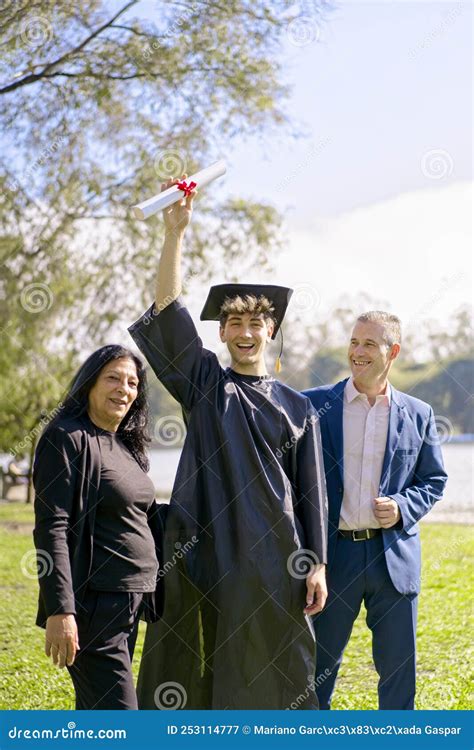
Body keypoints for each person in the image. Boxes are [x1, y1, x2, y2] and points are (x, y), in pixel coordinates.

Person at [128, 177, 328, 709]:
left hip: (276, 558)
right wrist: (175, 235)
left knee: (278, 666)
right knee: (198, 663)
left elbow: (310, 494)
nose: (244, 330)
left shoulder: (298, 407)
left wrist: (318, 564)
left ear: (270, 330)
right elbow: (168, 312)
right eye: (234, 321)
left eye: (256, 322)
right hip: (205, 552)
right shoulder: (207, 387)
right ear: (221, 333)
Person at [303, 311, 448, 710]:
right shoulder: (312, 406)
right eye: (354, 342)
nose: (358, 352)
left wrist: (402, 506)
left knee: (399, 673)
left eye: (369, 344)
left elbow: (434, 481)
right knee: (315, 673)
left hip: (393, 560)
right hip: (332, 560)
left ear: (393, 351)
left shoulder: (418, 413)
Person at [33, 345, 163, 710]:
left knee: (98, 716)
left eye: (132, 382)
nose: (124, 388)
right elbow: (51, 528)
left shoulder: (124, 445)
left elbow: (140, 514)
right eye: (113, 378)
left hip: (130, 601)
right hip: (93, 606)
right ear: (89, 383)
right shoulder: (66, 437)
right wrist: (61, 609)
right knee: (121, 718)